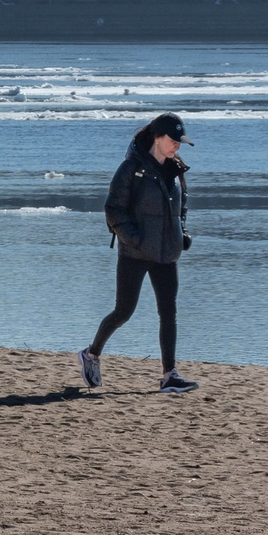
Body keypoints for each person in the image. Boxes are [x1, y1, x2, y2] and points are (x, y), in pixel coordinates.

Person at [78, 112, 198, 394]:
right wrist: (134, 239)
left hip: (167, 254)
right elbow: (113, 209)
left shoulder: (176, 168)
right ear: (157, 137)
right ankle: (92, 354)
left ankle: (170, 375)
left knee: (169, 313)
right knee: (124, 311)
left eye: (180, 142)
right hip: (134, 253)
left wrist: (182, 233)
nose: (177, 147)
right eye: (173, 141)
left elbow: (181, 207)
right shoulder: (131, 168)